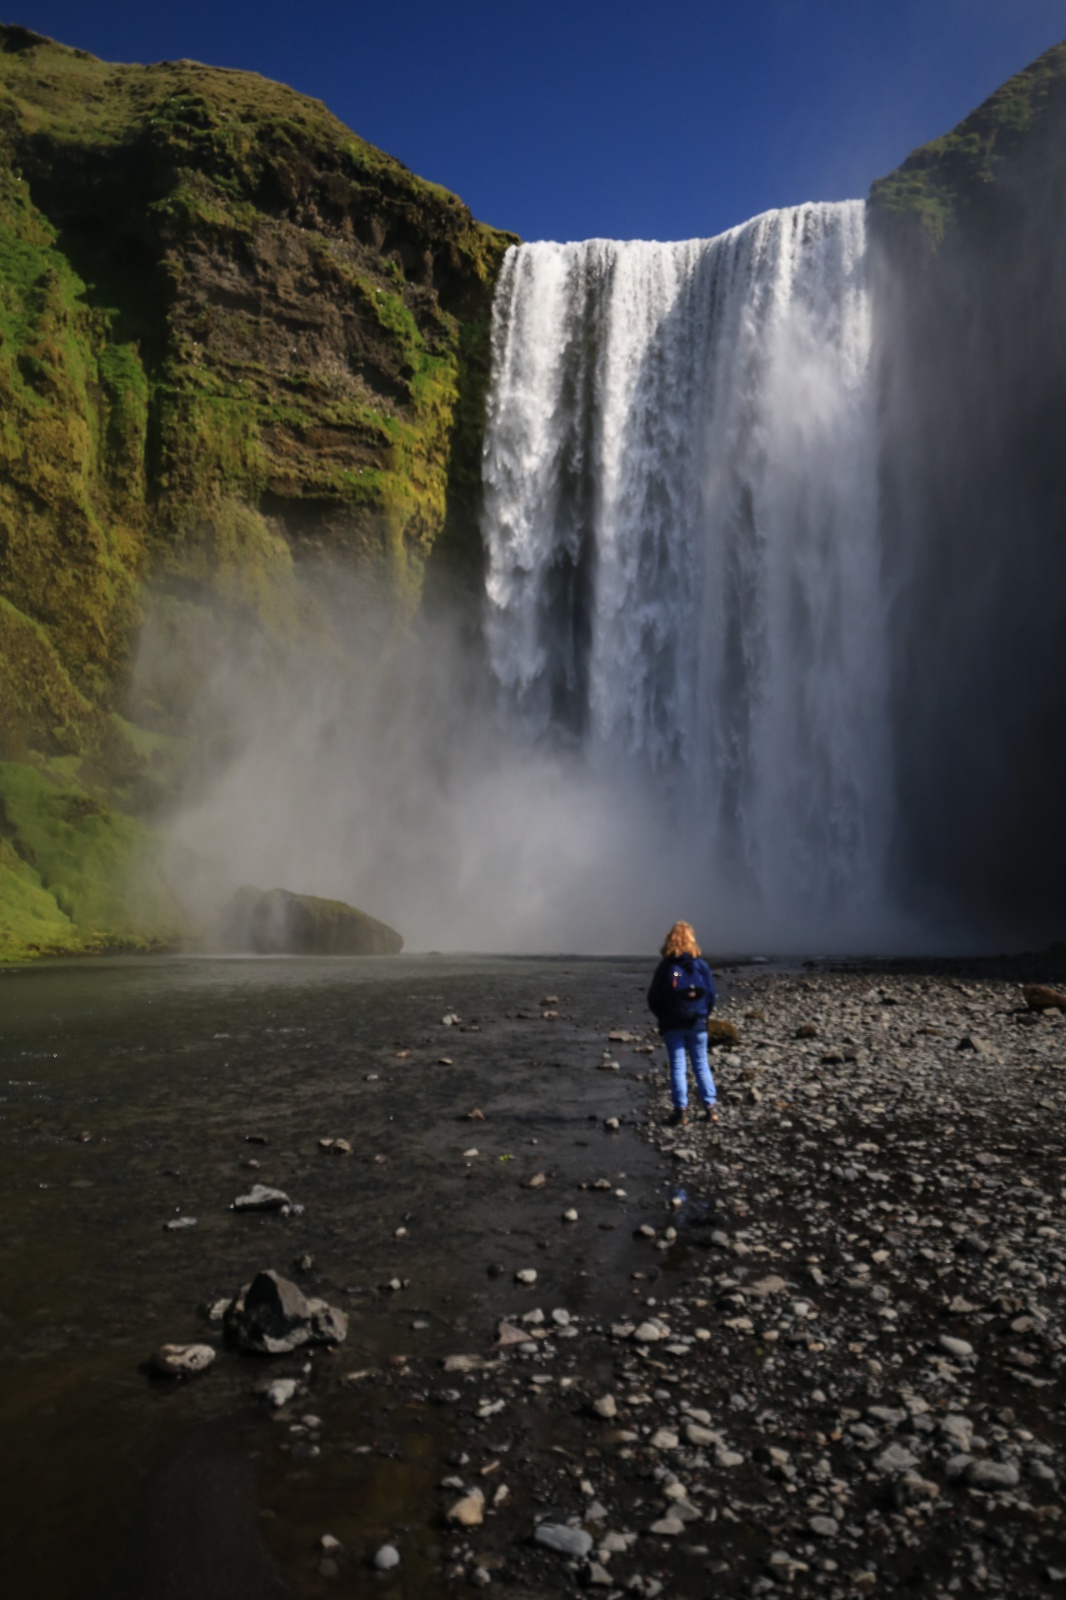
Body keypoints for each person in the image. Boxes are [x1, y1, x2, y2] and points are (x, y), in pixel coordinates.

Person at [647, 921, 718, 1127]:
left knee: (678, 1067)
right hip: (698, 1024)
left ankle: (681, 1113)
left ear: (670, 939)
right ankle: (711, 1109)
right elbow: (711, 995)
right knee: (702, 1066)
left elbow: (653, 998)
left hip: (672, 1025)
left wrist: (664, 1016)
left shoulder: (666, 966)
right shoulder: (701, 965)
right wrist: (703, 1015)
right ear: (691, 939)